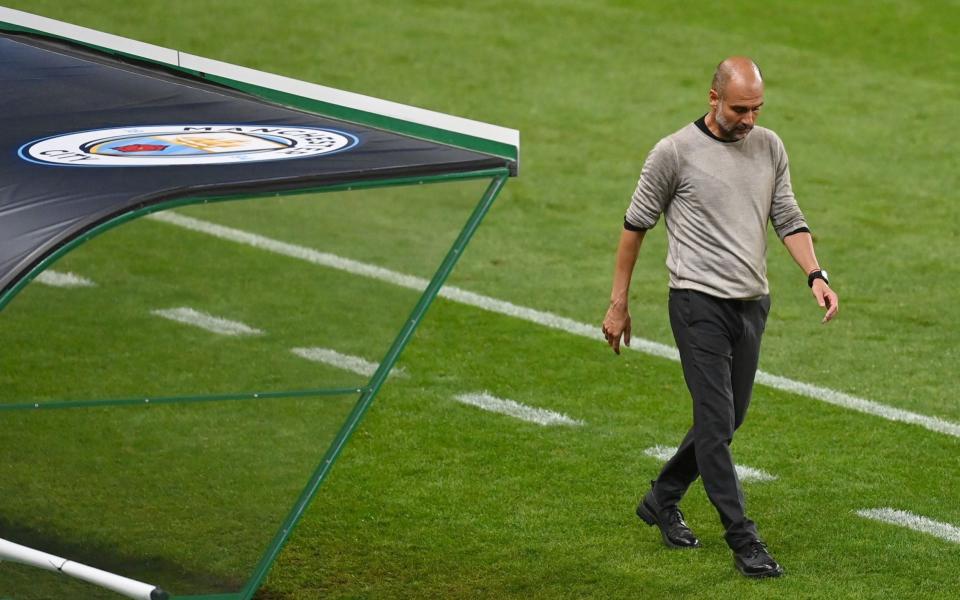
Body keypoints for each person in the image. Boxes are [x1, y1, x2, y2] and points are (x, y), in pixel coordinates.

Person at [601, 56, 838, 579]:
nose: (750, 119)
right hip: (697, 304)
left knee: (729, 419)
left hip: (752, 304)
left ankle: (662, 497)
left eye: (757, 108)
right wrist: (619, 303)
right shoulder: (673, 154)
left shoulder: (769, 146)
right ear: (713, 99)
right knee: (715, 426)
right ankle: (744, 541)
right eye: (739, 109)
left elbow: (788, 217)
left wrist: (815, 275)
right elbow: (633, 227)